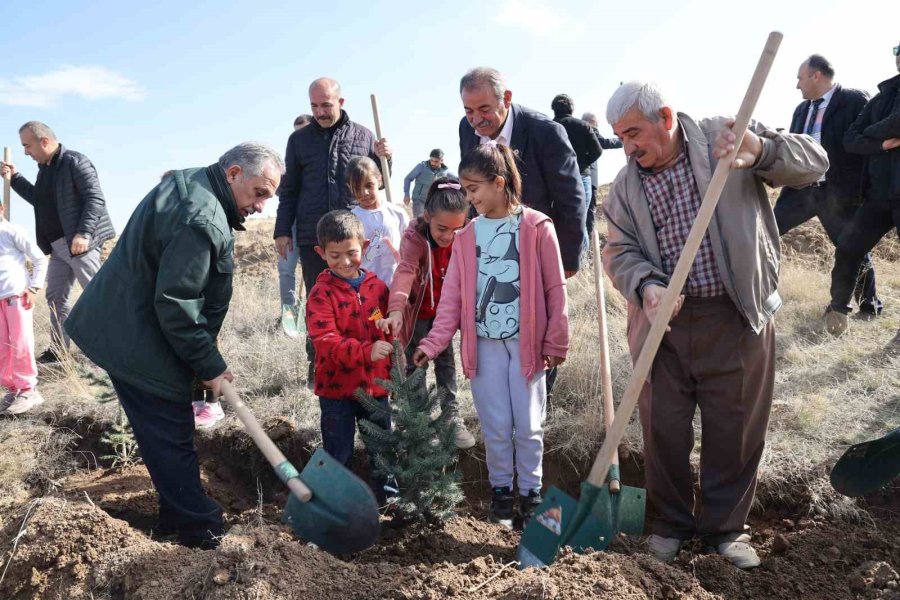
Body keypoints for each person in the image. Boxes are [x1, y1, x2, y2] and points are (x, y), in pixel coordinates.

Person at [601, 81, 827, 569]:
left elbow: (814, 162)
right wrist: (645, 286)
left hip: (735, 314)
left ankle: (726, 529)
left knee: (735, 426)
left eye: (634, 132)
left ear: (664, 115)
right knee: (664, 429)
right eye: (620, 137)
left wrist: (762, 150)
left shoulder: (724, 138)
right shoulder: (625, 186)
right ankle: (670, 526)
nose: (629, 146)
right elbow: (617, 250)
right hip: (664, 325)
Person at [64, 142, 285, 550]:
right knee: (171, 435)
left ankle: (173, 517)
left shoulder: (193, 184)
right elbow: (177, 305)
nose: (260, 207)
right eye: (259, 193)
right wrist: (209, 364)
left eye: (268, 198)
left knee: (167, 431)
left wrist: (202, 364)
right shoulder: (201, 218)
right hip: (136, 337)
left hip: (133, 326)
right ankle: (202, 532)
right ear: (234, 173)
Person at [412, 144, 569, 528]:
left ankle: (531, 496)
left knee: (529, 426)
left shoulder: (536, 227)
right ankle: (501, 495)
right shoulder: (467, 238)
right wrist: (432, 344)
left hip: (527, 347)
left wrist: (556, 340)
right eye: (464, 190)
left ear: (499, 183)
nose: (468, 197)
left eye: (473, 188)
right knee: (496, 426)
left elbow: (555, 289)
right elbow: (451, 300)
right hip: (484, 349)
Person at [275, 78, 392, 387]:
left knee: (362, 303)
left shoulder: (364, 135)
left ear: (341, 102)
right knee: (320, 303)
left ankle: (368, 365)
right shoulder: (298, 141)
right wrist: (281, 231)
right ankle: (320, 366)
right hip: (314, 237)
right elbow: (289, 190)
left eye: (326, 105)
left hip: (356, 236)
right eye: (314, 106)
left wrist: (386, 158)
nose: (320, 112)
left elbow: (377, 180)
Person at [775, 55, 880, 319]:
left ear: (816, 75)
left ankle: (869, 305)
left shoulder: (854, 100)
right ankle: (760, 291)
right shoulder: (801, 110)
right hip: (801, 190)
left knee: (850, 246)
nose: (797, 85)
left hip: (837, 193)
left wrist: (868, 188)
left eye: (800, 78)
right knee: (767, 230)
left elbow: (867, 144)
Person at [1, 121, 115, 363]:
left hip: (79, 244)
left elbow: (95, 198)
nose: (25, 152)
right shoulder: (45, 170)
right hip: (56, 246)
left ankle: (115, 350)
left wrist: (83, 234)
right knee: (55, 297)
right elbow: (38, 200)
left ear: (44, 141)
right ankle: (59, 351)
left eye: (27, 146)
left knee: (98, 295)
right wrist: (16, 177)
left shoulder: (75, 161)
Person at [458, 67, 585, 277]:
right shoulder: (466, 129)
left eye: (484, 109)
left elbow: (570, 199)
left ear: (506, 98)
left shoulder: (545, 132)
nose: (476, 119)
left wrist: (566, 260)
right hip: (489, 251)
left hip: (535, 247)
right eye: (469, 111)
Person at [305, 210, 395, 505]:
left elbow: (388, 327)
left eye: (351, 253)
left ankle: (390, 502)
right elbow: (326, 342)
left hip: (376, 389)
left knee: (382, 449)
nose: (344, 262)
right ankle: (334, 505)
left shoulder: (378, 289)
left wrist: (387, 329)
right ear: (321, 253)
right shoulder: (321, 294)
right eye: (335, 256)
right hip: (337, 392)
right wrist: (366, 351)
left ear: (365, 247)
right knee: (338, 451)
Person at [379, 176, 475, 449]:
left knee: (445, 362)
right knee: (415, 364)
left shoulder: (465, 237)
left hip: (445, 315)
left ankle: (450, 417)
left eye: (457, 229)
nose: (448, 236)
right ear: (427, 216)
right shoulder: (414, 239)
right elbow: (406, 270)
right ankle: (419, 422)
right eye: (442, 228)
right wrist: (396, 309)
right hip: (418, 313)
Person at [825, 42, 900, 339]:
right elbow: (849, 139)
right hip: (879, 196)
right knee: (849, 247)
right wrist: (881, 143)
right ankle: (837, 310)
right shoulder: (882, 96)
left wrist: (871, 132)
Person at [0, 202, 49, 415]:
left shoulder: (13, 231)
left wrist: (34, 287)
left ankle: (29, 390)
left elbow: (39, 259)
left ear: (1, 208)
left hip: (17, 296)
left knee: (21, 344)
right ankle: (12, 389)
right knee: (2, 347)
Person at [276, 114, 314, 337]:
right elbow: (283, 194)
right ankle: (289, 316)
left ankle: (316, 314)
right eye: (296, 131)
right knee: (286, 269)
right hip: (291, 225)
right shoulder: (287, 162)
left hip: (315, 223)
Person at [347, 156, 410, 287]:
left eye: (369, 185)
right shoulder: (351, 220)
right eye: (357, 188)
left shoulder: (398, 214)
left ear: (379, 180)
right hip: (365, 290)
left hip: (395, 287)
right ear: (349, 187)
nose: (364, 193)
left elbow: (409, 249)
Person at [551, 94, 603, 236]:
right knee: (582, 220)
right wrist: (584, 162)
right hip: (582, 175)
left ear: (553, 109)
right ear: (572, 109)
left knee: (561, 221)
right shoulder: (584, 126)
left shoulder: (547, 128)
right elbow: (598, 151)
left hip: (557, 178)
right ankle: (584, 257)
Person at [582, 111, 624, 237]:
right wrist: (624, 140)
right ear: (590, 121)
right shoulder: (589, 129)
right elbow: (604, 142)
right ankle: (590, 237)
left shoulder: (573, 131)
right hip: (588, 176)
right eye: (596, 123)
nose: (597, 126)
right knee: (589, 209)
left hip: (576, 176)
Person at [402, 149, 456, 217]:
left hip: (434, 202)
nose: (433, 163)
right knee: (420, 221)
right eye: (431, 160)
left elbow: (459, 180)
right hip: (419, 200)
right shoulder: (421, 166)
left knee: (432, 223)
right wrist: (406, 194)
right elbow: (408, 178)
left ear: (441, 161)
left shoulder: (445, 172)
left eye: (436, 161)